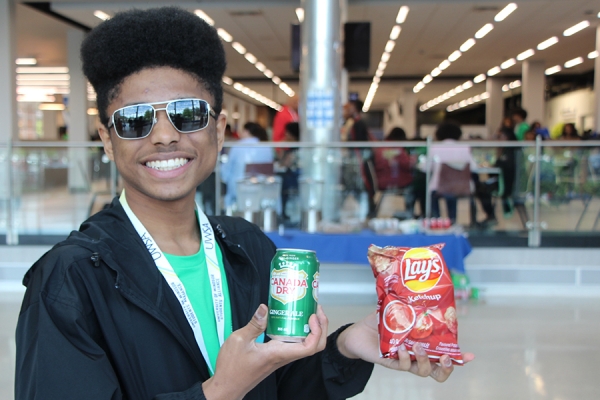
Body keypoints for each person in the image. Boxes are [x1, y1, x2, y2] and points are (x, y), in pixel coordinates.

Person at [15, 7, 472, 400]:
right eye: (134, 120)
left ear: (218, 130)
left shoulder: (249, 249)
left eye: (187, 113)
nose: (164, 136)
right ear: (107, 141)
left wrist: (349, 345)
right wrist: (218, 392)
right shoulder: (70, 279)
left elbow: (285, 385)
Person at [220, 121, 274, 209]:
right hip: (262, 188)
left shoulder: (237, 146)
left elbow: (227, 169)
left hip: (239, 188)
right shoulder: (266, 146)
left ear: (247, 131)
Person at [342, 99, 377, 218]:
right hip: (356, 160)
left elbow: (359, 144)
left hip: (359, 161)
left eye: (349, 107)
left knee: (364, 184)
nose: (346, 110)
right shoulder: (353, 122)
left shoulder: (358, 123)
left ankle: (370, 211)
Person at [373, 127, 413, 191]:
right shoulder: (397, 148)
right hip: (397, 183)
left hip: (381, 183)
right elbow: (408, 164)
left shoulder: (380, 148)